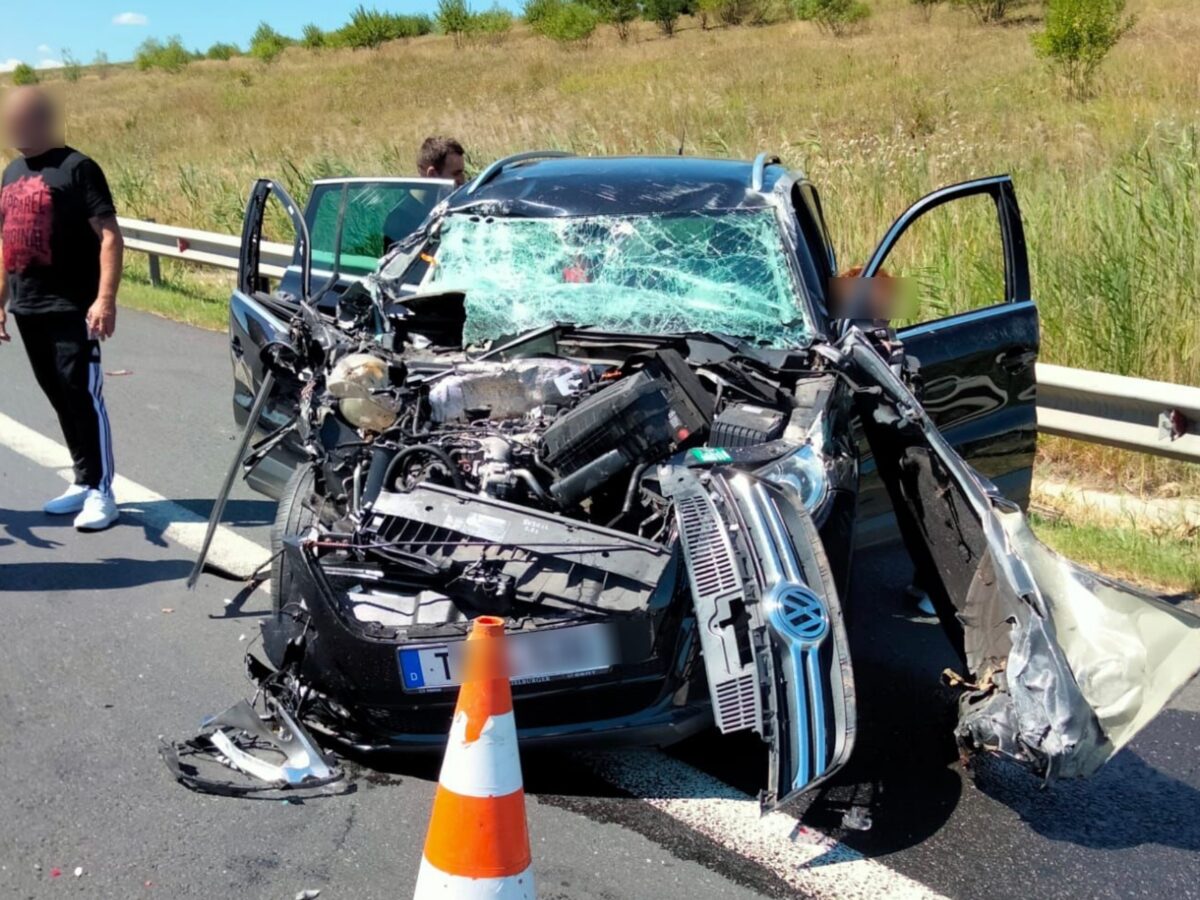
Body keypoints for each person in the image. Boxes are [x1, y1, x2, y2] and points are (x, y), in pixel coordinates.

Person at [0, 87, 124, 531]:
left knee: (83, 395)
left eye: (20, 117)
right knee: (58, 396)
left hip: (73, 306)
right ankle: (83, 479)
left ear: (42, 119)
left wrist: (104, 298)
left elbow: (109, 235)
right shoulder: (12, 172)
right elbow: (6, 242)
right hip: (28, 307)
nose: (12, 125)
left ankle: (104, 492)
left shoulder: (78, 168)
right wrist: (1, 301)